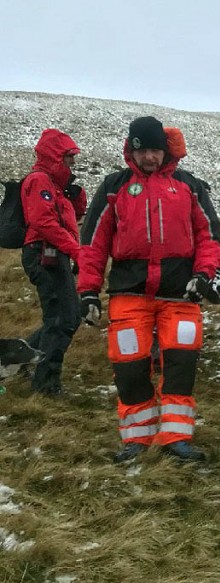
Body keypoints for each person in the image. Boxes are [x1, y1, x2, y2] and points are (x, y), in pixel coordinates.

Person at [78, 116, 220, 464]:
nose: (150, 158)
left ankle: (177, 438)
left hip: (182, 295)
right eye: (143, 151)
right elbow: (93, 243)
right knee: (129, 366)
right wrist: (87, 291)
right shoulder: (115, 186)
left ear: (165, 149)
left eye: (156, 150)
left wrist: (204, 274)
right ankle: (136, 440)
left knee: (180, 365)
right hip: (129, 294)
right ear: (132, 149)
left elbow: (209, 236)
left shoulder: (189, 185)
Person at [19, 129, 86, 395]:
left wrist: (76, 196)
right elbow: (43, 223)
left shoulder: (55, 186)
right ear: (54, 155)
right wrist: (76, 251)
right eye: (68, 156)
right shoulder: (39, 181)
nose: (72, 161)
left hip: (53, 255)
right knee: (63, 320)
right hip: (43, 254)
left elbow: (72, 218)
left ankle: (20, 356)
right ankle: (45, 385)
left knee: (62, 318)